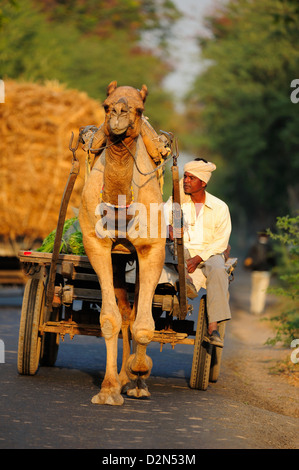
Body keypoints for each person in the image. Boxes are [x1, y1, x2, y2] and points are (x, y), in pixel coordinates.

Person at [164, 158, 232, 347]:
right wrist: (167, 227)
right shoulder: (176, 202)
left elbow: (221, 241)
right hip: (181, 253)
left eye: (190, 178)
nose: (185, 181)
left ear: (202, 183)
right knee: (174, 251)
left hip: (209, 254)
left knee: (218, 270)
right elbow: (162, 217)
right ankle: (188, 281)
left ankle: (213, 327)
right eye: (184, 177)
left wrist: (199, 258)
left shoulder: (220, 207)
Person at [244, 231, 275, 315]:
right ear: (267, 237)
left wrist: (247, 268)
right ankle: (259, 309)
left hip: (255, 271)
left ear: (259, 236)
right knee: (262, 291)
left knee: (254, 289)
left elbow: (248, 259)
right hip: (265, 272)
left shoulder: (254, 246)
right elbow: (273, 261)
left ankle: (253, 308)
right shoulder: (269, 247)